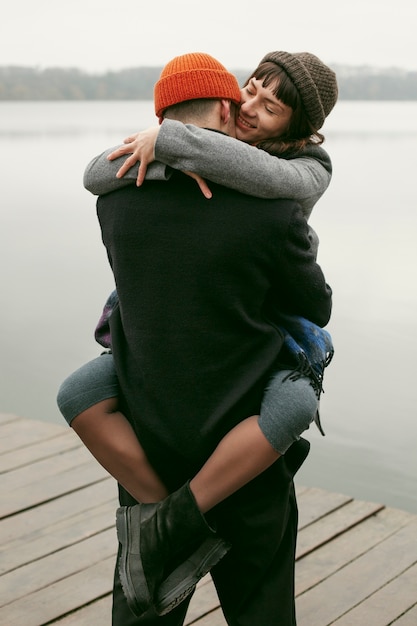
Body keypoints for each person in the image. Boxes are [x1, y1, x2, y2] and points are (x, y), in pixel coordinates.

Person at [57, 52, 334, 624]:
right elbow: (314, 306)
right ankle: (181, 520)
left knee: (144, 612)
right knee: (262, 610)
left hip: (148, 439)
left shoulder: (116, 200)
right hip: (243, 444)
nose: (253, 109)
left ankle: (163, 521)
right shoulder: (276, 210)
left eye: (271, 104)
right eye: (249, 94)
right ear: (229, 105)